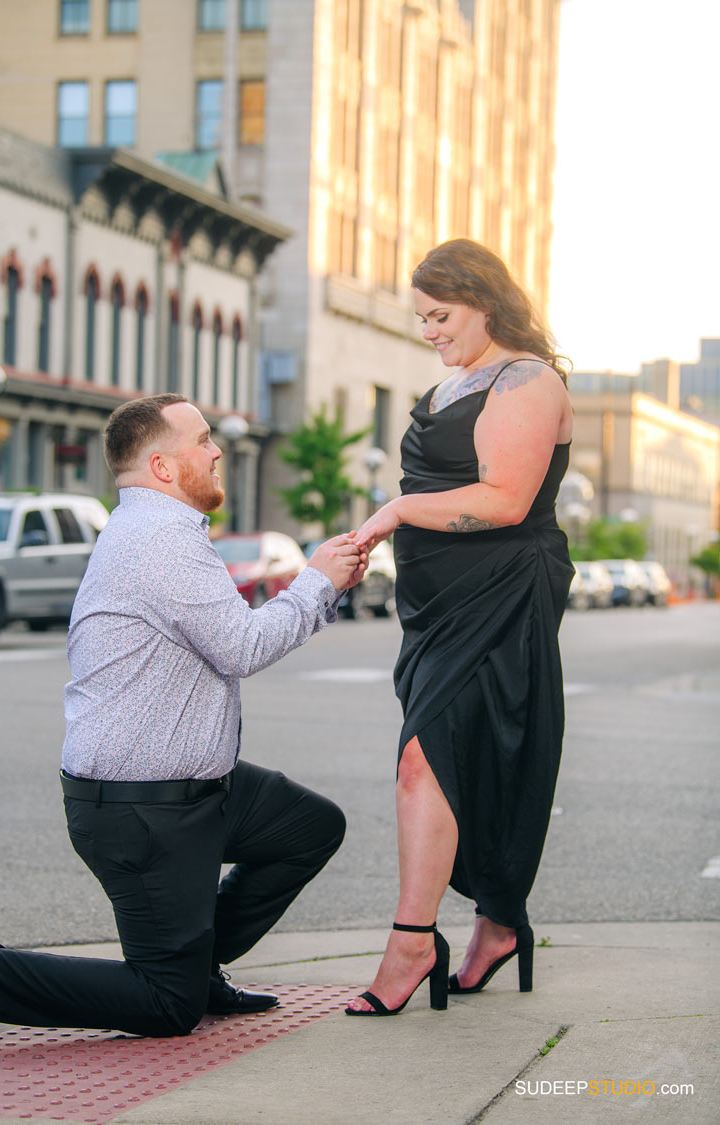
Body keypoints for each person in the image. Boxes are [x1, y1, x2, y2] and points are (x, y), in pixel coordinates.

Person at [0, 393, 366, 1044]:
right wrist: (316, 581)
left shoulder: (163, 531)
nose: (218, 451)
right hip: (142, 811)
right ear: (161, 465)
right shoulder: (158, 541)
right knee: (166, 1003)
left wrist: (323, 586)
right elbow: (242, 647)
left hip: (198, 788)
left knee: (308, 826)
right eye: (204, 440)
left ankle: (197, 955)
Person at [345, 239, 574, 1016]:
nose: (429, 330)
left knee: (433, 754)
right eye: (422, 317)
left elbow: (506, 499)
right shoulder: (459, 382)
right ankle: (498, 923)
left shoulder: (529, 379)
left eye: (440, 314)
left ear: (485, 300)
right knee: (453, 755)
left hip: (503, 595)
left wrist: (396, 510)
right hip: (436, 608)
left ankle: (414, 940)